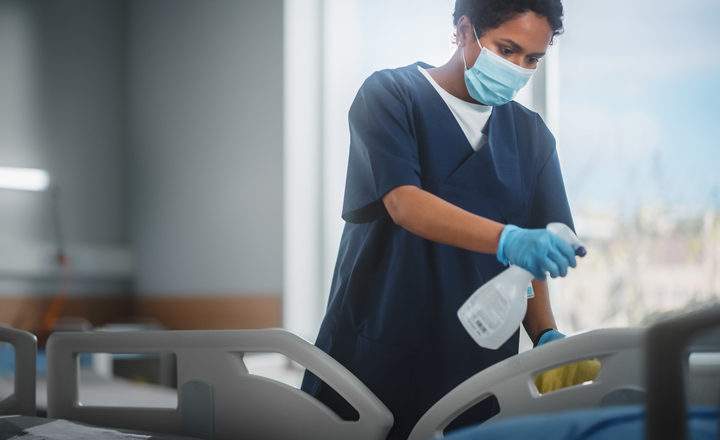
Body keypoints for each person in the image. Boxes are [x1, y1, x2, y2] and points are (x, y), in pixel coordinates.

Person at [301, 1, 580, 438]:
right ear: (465, 30)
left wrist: (545, 333)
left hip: (476, 370)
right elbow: (405, 204)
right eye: (507, 50)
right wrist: (508, 238)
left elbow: (531, 260)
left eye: (532, 59)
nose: (519, 69)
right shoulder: (391, 96)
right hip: (374, 358)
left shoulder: (531, 137)